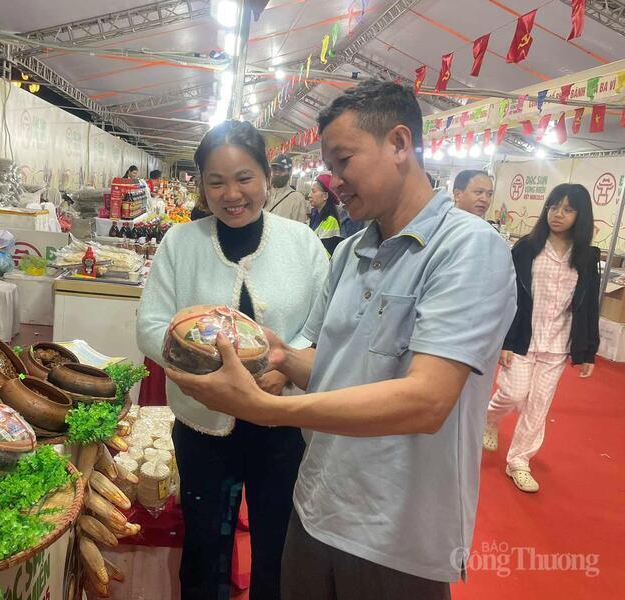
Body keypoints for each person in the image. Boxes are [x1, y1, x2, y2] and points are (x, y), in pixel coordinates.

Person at [164, 80, 517, 599]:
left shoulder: (467, 249)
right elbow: (329, 367)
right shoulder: (351, 252)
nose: (334, 179)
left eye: (344, 160)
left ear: (399, 144)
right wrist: (278, 354)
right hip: (316, 507)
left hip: (394, 534)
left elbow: (427, 400)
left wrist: (271, 410)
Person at [136, 120, 329, 600]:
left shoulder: (301, 242)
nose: (231, 193)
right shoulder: (180, 244)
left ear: (267, 175)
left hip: (282, 423)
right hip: (205, 426)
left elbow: (323, 321)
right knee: (204, 548)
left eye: (244, 177)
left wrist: (284, 366)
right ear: (200, 185)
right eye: (215, 181)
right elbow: (150, 325)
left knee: (279, 548)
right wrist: (208, 374)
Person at [484, 183, 599, 493]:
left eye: (567, 209)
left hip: (557, 345)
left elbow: (589, 307)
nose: (558, 214)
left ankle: (519, 461)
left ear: (581, 215)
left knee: (538, 406)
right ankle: (490, 418)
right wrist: (505, 340)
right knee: (514, 393)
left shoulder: (587, 257)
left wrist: (588, 351)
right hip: (523, 338)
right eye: (554, 206)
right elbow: (507, 296)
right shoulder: (526, 248)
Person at [308, 173, 344, 255]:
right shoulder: (315, 216)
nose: (309, 195)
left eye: (313, 191)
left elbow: (326, 254)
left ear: (325, 196)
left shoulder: (330, 221)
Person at [266, 155, 308, 223]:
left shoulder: (297, 198)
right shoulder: (264, 194)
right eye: (274, 170)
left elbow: (299, 228)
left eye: (281, 170)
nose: (277, 173)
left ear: (290, 172)